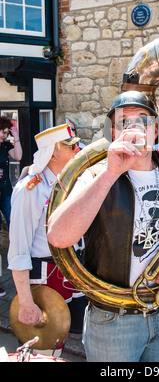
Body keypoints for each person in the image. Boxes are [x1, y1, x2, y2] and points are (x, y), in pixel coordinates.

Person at [47, 91, 159, 363]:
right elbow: (58, 236)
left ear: (155, 129)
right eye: (124, 122)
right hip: (113, 319)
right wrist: (111, 172)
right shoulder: (95, 174)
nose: (134, 128)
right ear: (113, 131)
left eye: (142, 120)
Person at [8, 124, 87, 356]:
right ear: (52, 153)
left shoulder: (71, 182)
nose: (78, 149)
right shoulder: (30, 190)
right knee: (44, 347)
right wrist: (25, 303)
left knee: (74, 334)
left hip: (72, 273)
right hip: (45, 278)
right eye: (71, 146)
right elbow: (18, 251)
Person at [0, 116, 22, 298]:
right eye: (3, 132)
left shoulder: (5, 146)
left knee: (14, 229)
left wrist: (16, 137)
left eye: (6, 133)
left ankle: (18, 274)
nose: (4, 136)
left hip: (6, 193)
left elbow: (19, 156)